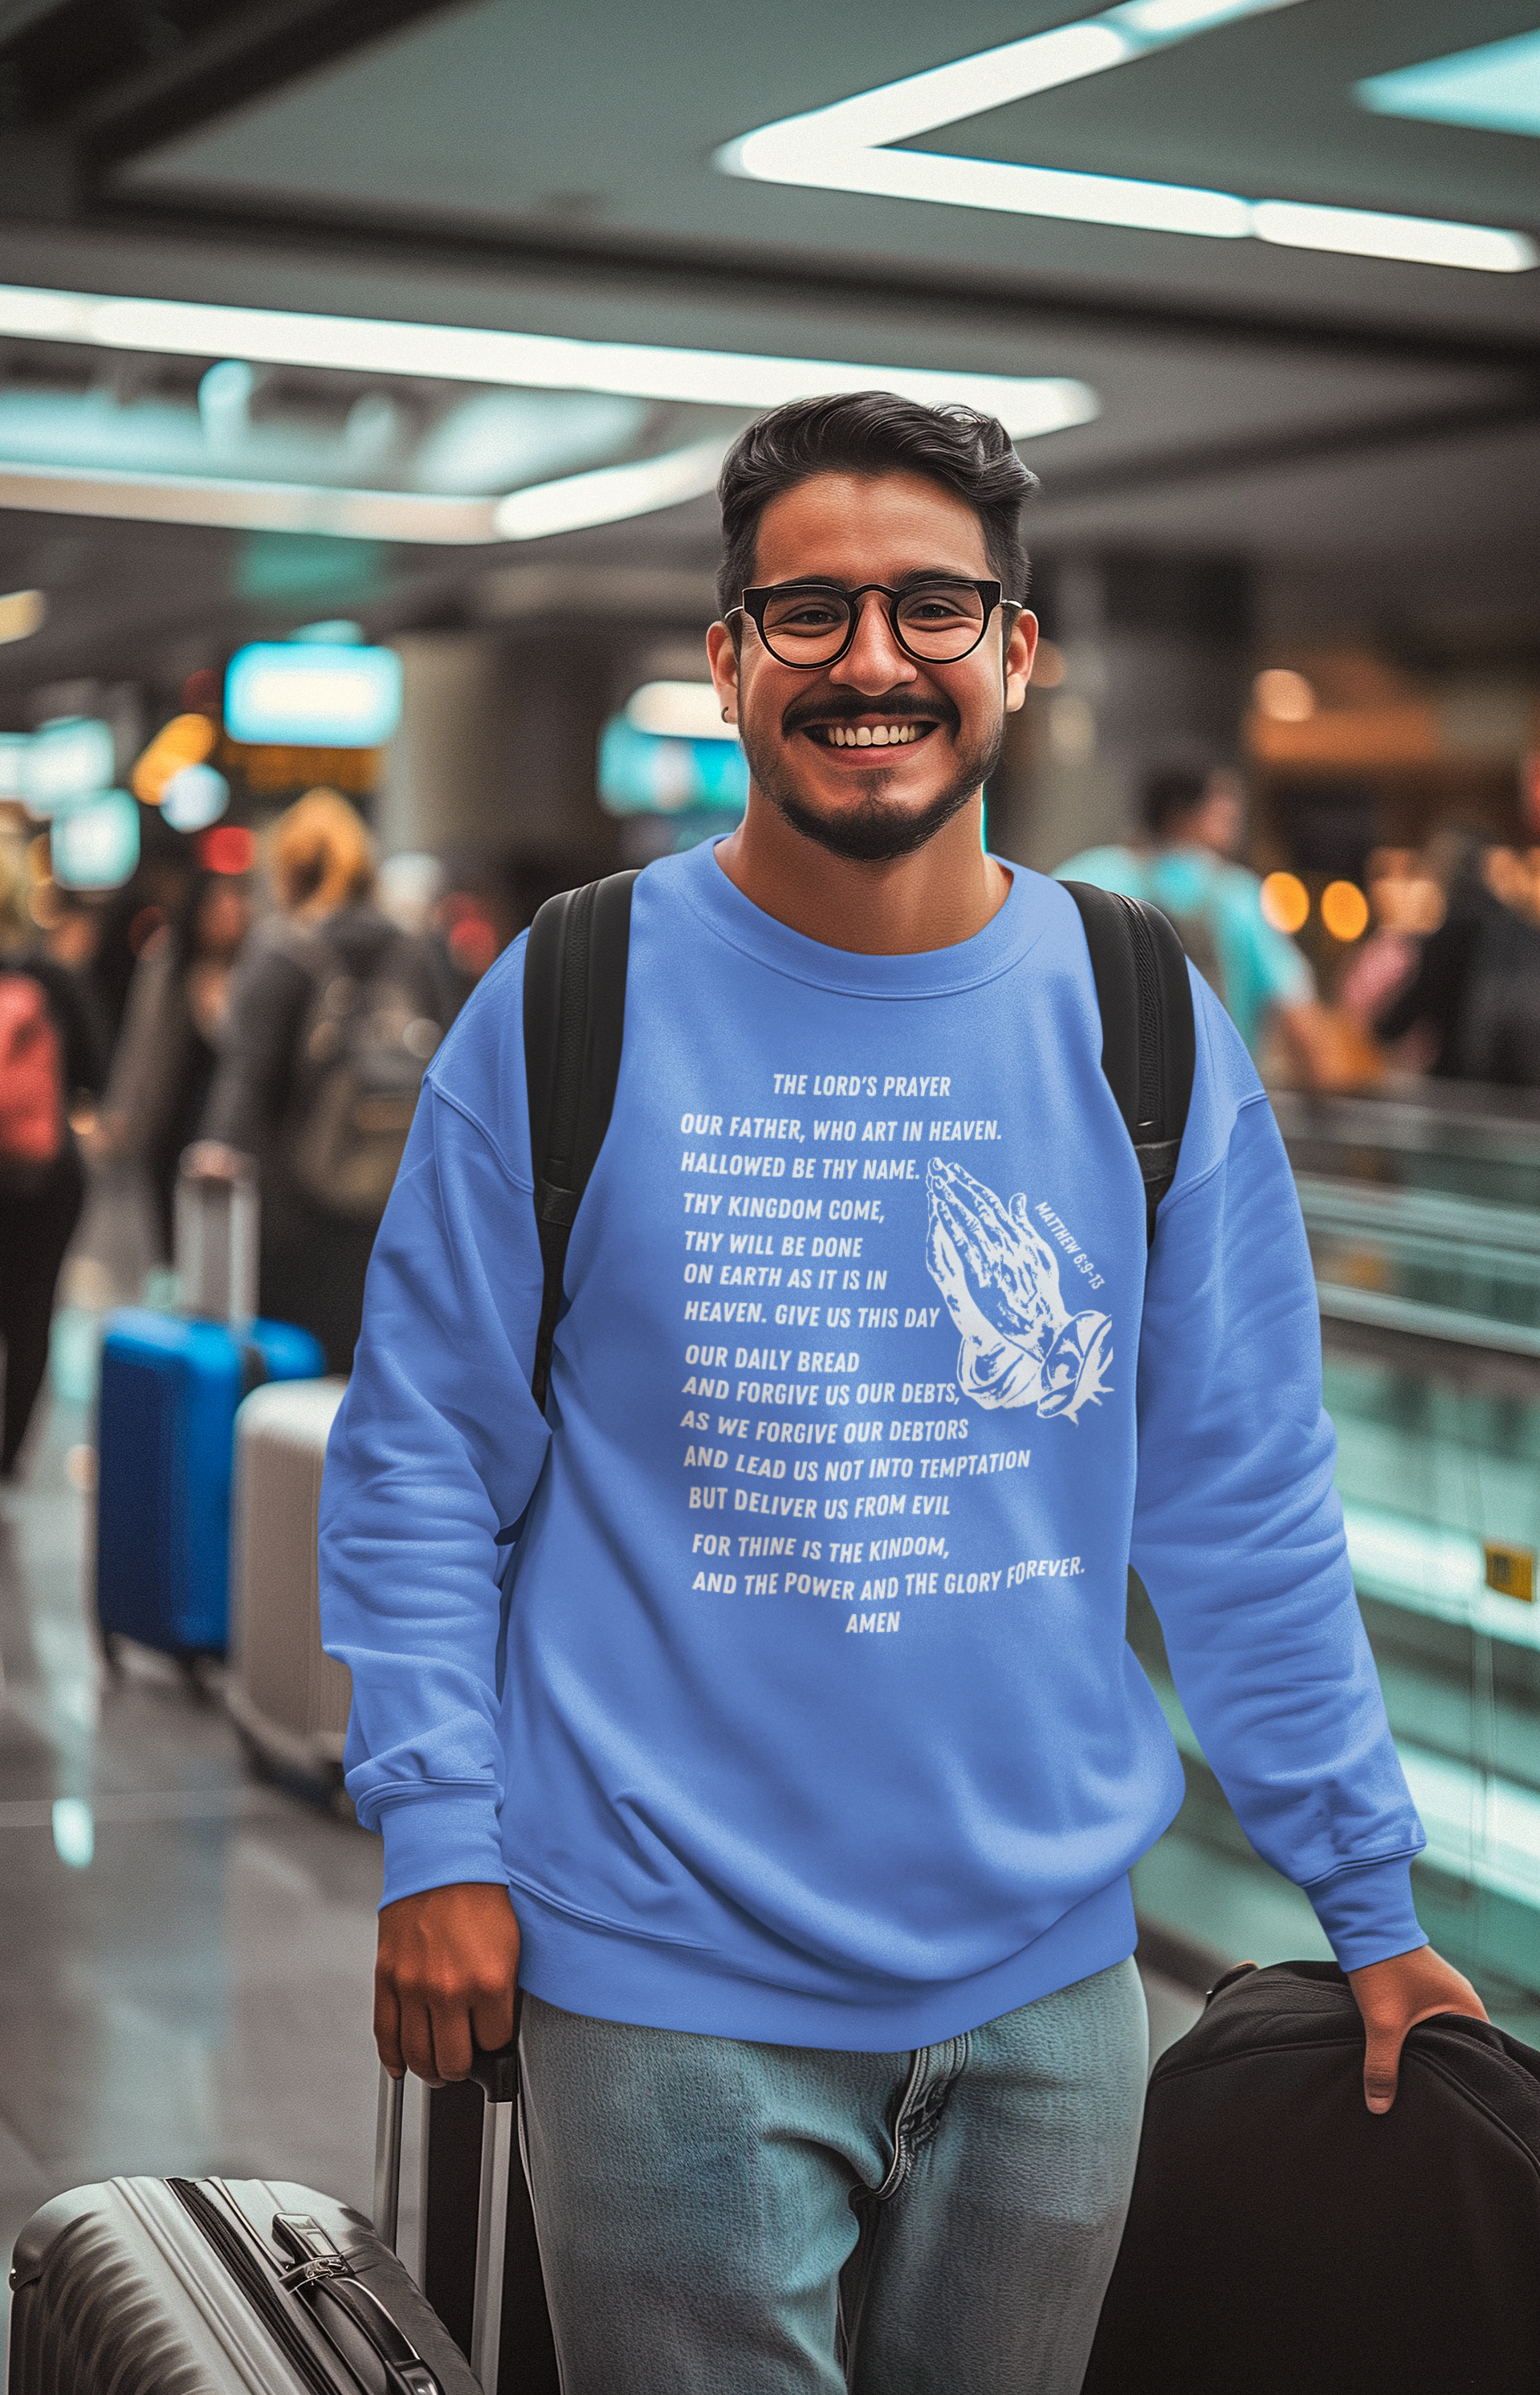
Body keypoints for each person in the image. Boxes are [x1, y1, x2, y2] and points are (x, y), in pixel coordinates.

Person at [320, 393, 1483, 2395]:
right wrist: (436, 1830)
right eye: (810, 611)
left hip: (1051, 1997)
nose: (872, 659)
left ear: (1015, 654)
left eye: (932, 608)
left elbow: (1242, 1504)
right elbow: (423, 1448)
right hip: (664, 1983)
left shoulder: (1141, 1022)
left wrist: (1361, 1894)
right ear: (726, 659)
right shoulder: (570, 994)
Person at [195, 790, 445, 1374]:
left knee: (289, 1377)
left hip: (293, 1206)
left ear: (288, 870)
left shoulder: (281, 950)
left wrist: (215, 1154)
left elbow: (246, 1082)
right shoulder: (413, 951)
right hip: (390, 1202)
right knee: (364, 1366)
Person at [0, 822, 106, 1526]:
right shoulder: (50, 976)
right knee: (31, 1314)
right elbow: (96, 1072)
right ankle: (5, 1468)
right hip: (42, 1178)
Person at [1056, 757, 1371, 1085]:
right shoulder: (1238, 896)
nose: (1236, 816)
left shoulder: (1085, 875)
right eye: (1223, 807)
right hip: (1208, 1103)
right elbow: (1301, 1026)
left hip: (1100, 1094)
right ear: (1182, 816)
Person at [100, 861, 252, 1259]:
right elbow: (141, 1040)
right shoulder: (169, 960)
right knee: (170, 1229)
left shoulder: (256, 971)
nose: (227, 918)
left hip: (227, 1123)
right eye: (217, 909)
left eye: (234, 908)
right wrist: (121, 1110)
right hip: (171, 1117)